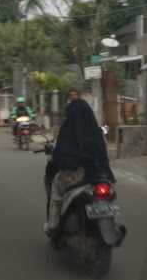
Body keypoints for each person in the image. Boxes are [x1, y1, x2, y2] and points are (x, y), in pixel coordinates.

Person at [44, 99, 115, 236]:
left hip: (76, 175)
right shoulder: (96, 131)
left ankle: (53, 225)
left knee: (56, 187)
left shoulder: (68, 130)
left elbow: (60, 156)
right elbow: (103, 155)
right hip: (98, 175)